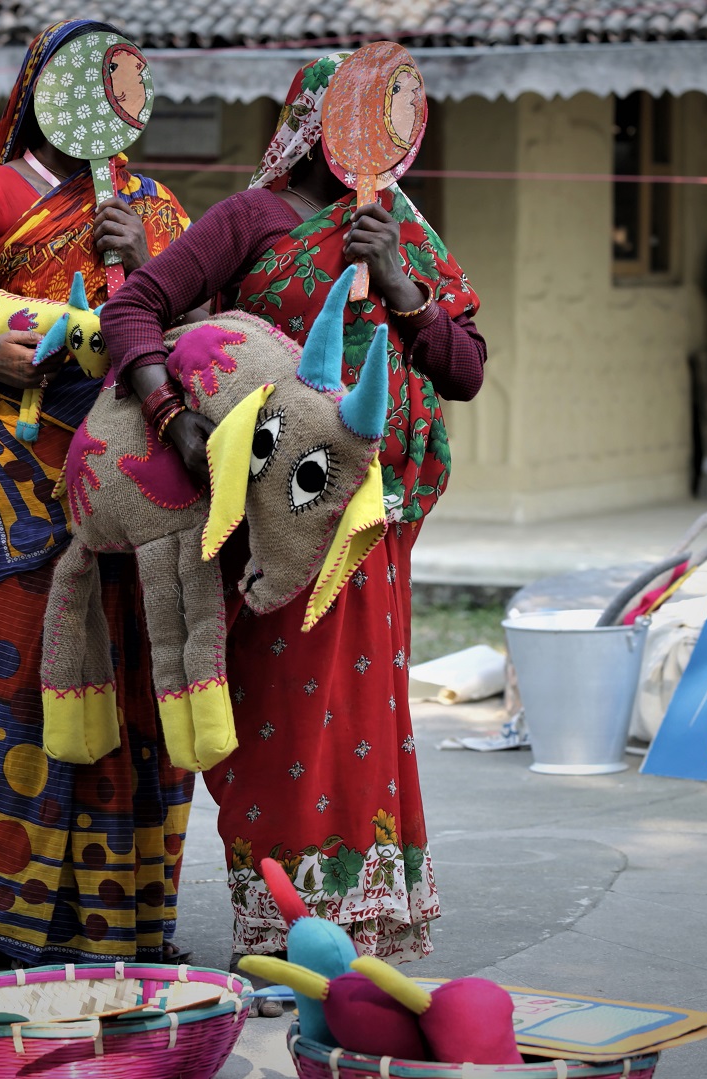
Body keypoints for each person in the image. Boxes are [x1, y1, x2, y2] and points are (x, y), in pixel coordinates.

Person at [100, 52, 486, 962]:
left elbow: (463, 371)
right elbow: (136, 312)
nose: (385, 138)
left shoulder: (406, 233)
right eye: (369, 113)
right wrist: (171, 414)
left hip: (372, 520)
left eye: (400, 118)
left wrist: (400, 287)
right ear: (319, 118)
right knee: (280, 712)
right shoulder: (254, 217)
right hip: (276, 509)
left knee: (362, 713)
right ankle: (279, 924)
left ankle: (358, 920)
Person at [0, 20, 194, 965]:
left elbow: (204, 335)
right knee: (11, 687)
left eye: (126, 83)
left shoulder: (156, 208)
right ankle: (7, 918)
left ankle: (123, 921)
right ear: (50, 89)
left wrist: (144, 261)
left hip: (132, 495)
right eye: (96, 81)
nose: (115, 99)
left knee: (134, 689)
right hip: (13, 500)